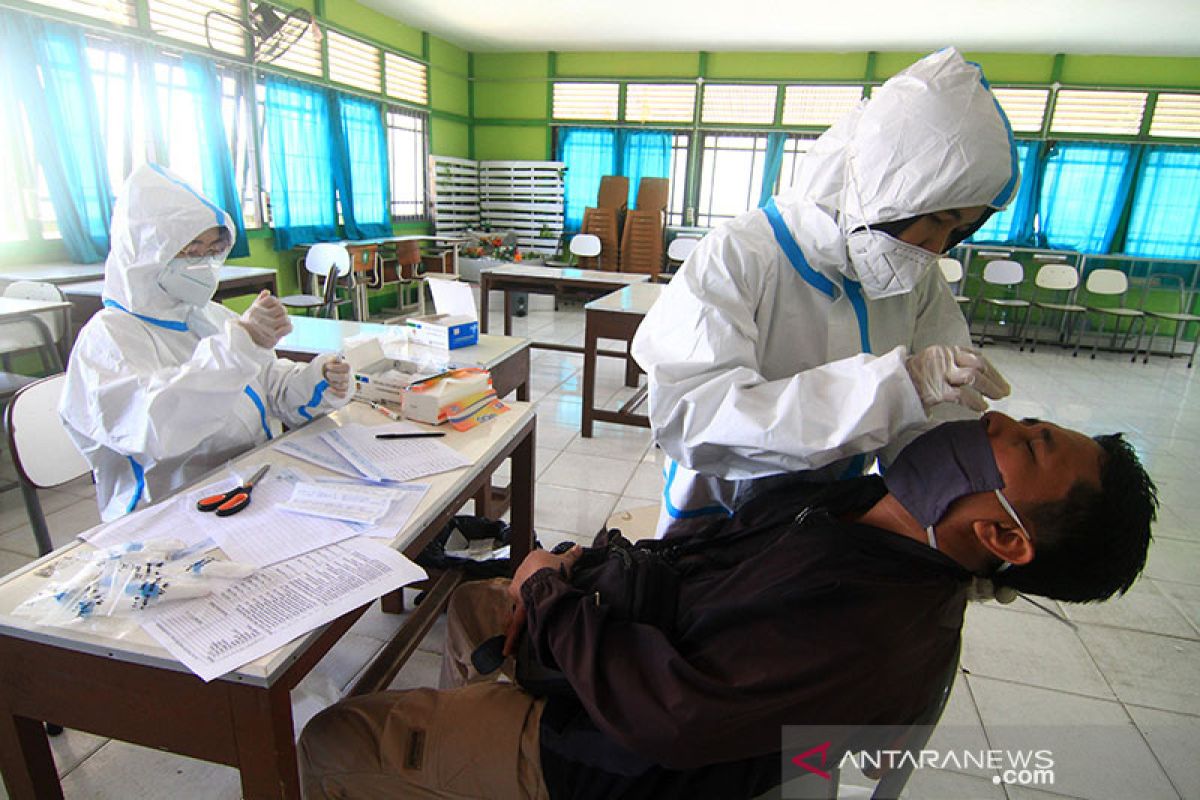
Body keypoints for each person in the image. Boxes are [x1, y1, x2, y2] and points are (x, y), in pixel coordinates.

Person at [298, 412, 1157, 800]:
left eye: (1028, 444)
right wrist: (576, 571)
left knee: (332, 739)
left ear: (1007, 539)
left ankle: (498, 759)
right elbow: (699, 551)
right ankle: (481, 734)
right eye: (1026, 419)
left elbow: (672, 716)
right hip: (631, 649)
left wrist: (554, 599)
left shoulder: (882, 629)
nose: (998, 421)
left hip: (618, 758)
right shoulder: (863, 505)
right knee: (483, 604)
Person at [631, 47, 1018, 537]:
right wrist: (897, 388)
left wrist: (956, 522)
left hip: (829, 519)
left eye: (959, 230)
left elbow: (928, 424)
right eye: (936, 221)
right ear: (885, 190)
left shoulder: (917, 277)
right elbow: (693, 419)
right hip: (720, 517)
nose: (937, 249)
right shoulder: (741, 255)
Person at [60, 164, 353, 521]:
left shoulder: (209, 316)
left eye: (213, 249)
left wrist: (317, 380)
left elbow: (267, 384)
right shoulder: (109, 339)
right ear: (146, 252)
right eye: (191, 249)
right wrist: (240, 345)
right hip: (167, 511)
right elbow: (158, 426)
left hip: (249, 483)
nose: (205, 263)